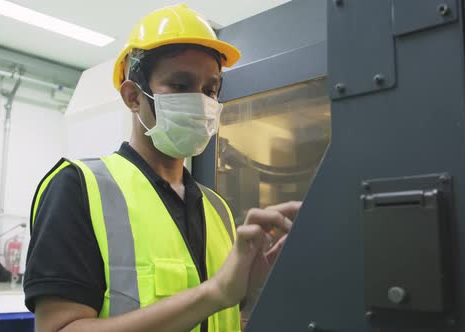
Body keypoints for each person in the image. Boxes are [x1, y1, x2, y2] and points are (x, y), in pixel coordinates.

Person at [24, 4, 301, 331]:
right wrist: (215, 293)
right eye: (181, 86)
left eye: (210, 89)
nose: (201, 102)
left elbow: (213, 315)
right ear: (133, 97)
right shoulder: (78, 188)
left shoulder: (217, 209)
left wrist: (244, 288)